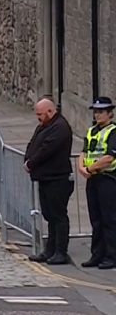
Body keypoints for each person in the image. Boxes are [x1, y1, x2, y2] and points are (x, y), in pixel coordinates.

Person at [23, 98, 74, 264]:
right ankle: (49, 250)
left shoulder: (60, 128)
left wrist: (32, 162)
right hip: (45, 177)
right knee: (49, 215)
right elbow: (34, 143)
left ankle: (61, 251)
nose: (38, 117)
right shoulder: (44, 125)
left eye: (40, 114)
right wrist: (28, 159)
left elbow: (47, 149)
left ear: (50, 112)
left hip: (58, 177)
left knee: (58, 216)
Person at [77, 96, 116, 270]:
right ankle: (97, 254)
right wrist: (81, 168)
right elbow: (83, 152)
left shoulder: (113, 132)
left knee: (109, 219)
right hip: (93, 179)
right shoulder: (92, 131)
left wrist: (90, 169)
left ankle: (111, 255)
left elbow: (109, 158)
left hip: (108, 178)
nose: (97, 114)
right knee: (96, 219)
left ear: (110, 114)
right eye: (96, 111)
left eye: (101, 111)